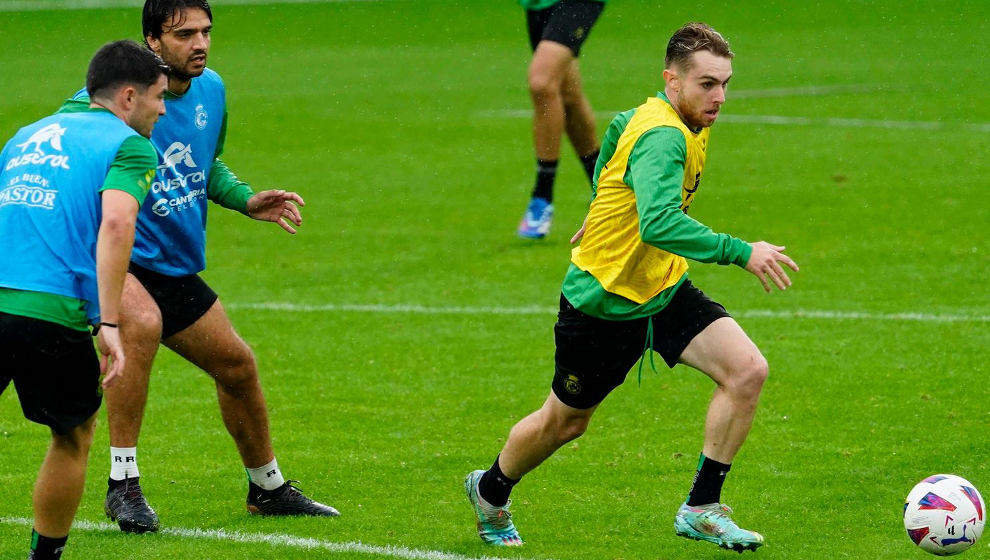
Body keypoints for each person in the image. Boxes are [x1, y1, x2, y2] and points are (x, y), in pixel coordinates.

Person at [466, 22, 799, 552]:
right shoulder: (665, 135)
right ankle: (490, 490)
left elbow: (614, 134)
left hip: (663, 289)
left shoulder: (665, 116)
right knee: (564, 424)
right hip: (602, 304)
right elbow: (660, 224)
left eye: (725, 83)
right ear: (673, 81)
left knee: (746, 371)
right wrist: (742, 251)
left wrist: (600, 205)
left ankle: (702, 508)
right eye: (707, 84)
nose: (719, 97)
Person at [59, 0, 337, 534]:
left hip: (173, 266)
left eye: (206, 32)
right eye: (184, 34)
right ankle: (123, 485)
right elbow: (64, 149)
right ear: (152, 42)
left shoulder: (212, 90)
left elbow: (203, 162)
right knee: (139, 325)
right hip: (119, 258)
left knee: (237, 366)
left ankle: (268, 487)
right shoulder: (111, 101)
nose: (201, 44)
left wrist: (243, 199)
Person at [0, 40, 167, 560]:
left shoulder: (24, 136)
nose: (164, 109)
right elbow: (117, 223)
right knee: (72, 436)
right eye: (160, 97)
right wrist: (109, 322)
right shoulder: (130, 146)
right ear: (128, 96)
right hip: (47, 313)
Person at [516, 0, 605, 239]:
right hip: (536, 5)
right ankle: (608, 190)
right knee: (568, 94)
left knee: (541, 83)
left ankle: (542, 196)